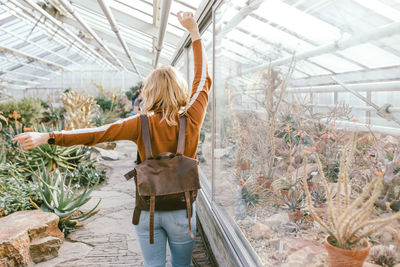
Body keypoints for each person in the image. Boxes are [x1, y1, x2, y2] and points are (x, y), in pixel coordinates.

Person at [12, 11, 211, 267]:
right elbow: (203, 79)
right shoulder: (192, 116)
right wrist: (194, 32)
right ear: (180, 88)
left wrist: (47, 136)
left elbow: (96, 134)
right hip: (182, 213)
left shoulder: (139, 124)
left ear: (149, 91)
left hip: (147, 213)